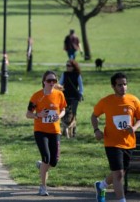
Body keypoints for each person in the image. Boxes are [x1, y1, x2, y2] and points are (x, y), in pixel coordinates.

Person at [91, 72, 140, 202]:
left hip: (129, 143)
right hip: (112, 142)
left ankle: (101, 186)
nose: (123, 87)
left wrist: (134, 128)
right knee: (118, 174)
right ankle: (121, 200)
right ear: (113, 86)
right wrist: (96, 130)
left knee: (120, 172)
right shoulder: (106, 101)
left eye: (125, 84)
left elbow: (139, 118)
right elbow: (94, 115)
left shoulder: (134, 100)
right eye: (119, 85)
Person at [26, 70, 66, 196]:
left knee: (53, 162)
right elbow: (28, 114)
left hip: (55, 131)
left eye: (54, 81)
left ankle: (42, 166)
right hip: (40, 131)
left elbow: (63, 109)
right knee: (46, 158)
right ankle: (43, 187)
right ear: (44, 82)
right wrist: (38, 115)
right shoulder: (37, 96)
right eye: (49, 81)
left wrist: (59, 115)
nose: (52, 83)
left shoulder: (59, 94)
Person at [59, 59, 84, 137]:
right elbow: (60, 84)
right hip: (65, 96)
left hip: (74, 98)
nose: (67, 67)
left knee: (73, 113)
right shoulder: (64, 74)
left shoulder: (77, 75)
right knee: (64, 113)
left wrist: (80, 94)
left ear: (73, 67)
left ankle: (73, 131)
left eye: (69, 65)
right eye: (66, 65)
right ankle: (64, 130)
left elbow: (81, 87)